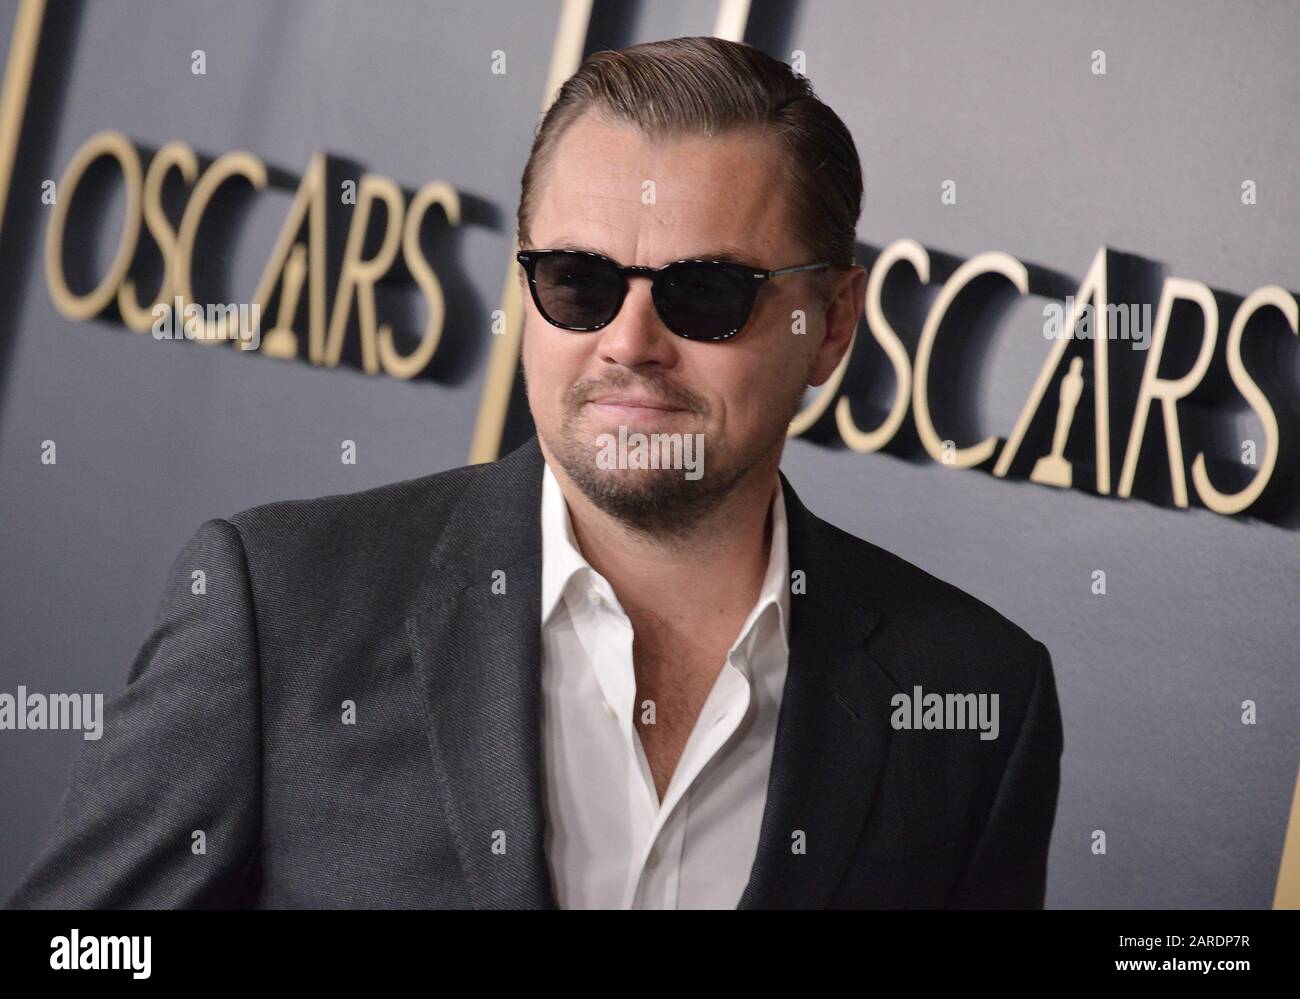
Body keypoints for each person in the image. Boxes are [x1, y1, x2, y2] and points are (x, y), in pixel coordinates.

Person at [6, 35, 1062, 910]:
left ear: (829, 325)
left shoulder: (974, 697)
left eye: (704, 295)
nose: (629, 342)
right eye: (577, 281)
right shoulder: (278, 607)